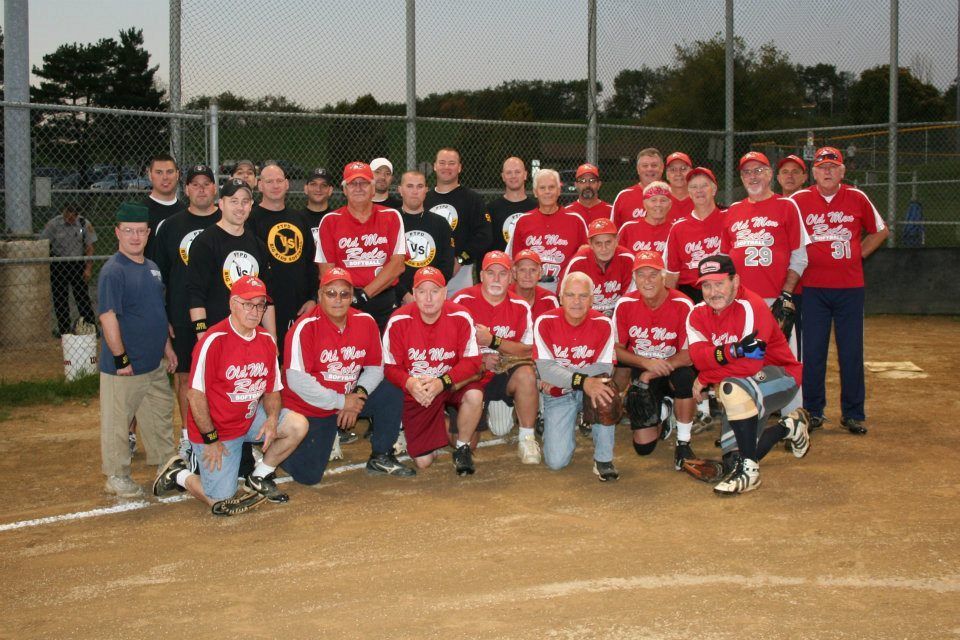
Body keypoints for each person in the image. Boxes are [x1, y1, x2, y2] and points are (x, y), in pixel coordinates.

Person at [152, 275, 308, 516]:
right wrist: (211, 439)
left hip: (248, 418)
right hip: (216, 428)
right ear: (233, 304)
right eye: (248, 304)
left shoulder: (266, 340)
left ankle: (259, 476)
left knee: (298, 425)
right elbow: (194, 396)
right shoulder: (214, 341)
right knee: (220, 498)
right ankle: (179, 474)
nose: (255, 311)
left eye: (260, 305)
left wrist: (272, 418)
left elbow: (272, 390)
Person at [686, 254, 810, 495]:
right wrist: (734, 350)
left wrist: (706, 377)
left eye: (719, 283)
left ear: (735, 281)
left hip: (781, 376)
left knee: (730, 387)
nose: (713, 292)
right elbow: (698, 357)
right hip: (743, 383)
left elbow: (751, 366)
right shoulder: (697, 314)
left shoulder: (751, 306)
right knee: (734, 459)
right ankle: (788, 427)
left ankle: (750, 474)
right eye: (706, 285)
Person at [280, 267, 415, 483]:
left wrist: (358, 396)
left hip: (348, 396)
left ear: (352, 296)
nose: (338, 300)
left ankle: (381, 455)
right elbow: (297, 381)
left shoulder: (365, 321)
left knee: (391, 387)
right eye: (331, 293)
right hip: (311, 405)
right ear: (320, 294)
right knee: (309, 476)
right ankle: (282, 452)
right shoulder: (304, 326)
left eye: (344, 294)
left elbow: (375, 367)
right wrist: (342, 402)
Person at [790, 146, 889, 434]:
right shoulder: (799, 200)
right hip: (812, 289)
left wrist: (858, 254)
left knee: (851, 351)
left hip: (849, 288)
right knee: (812, 351)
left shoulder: (856, 197)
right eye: (822, 167)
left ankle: (853, 413)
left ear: (842, 171)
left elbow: (881, 230)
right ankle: (813, 410)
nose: (828, 171)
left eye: (833, 167)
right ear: (814, 172)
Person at [97, 202, 177, 497]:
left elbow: (157, 313)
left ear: (148, 234)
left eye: (140, 231)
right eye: (128, 231)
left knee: (160, 416)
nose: (134, 237)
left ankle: (166, 467)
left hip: (153, 362)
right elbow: (108, 317)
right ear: (117, 232)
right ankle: (117, 475)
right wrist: (121, 358)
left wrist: (167, 348)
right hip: (125, 367)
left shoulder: (153, 269)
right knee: (118, 422)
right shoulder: (114, 271)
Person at [723, 151, 809, 415]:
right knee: (745, 361)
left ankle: (794, 418)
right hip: (742, 302)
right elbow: (727, 260)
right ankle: (747, 416)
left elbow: (799, 256)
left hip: (774, 299)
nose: (753, 176)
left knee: (785, 359)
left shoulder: (787, 206)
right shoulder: (733, 211)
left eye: (758, 170)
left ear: (770, 174)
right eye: (747, 172)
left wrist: (786, 295)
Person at [382, 266, 483, 475]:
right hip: (419, 390)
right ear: (413, 293)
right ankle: (438, 422)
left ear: (445, 293)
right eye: (421, 291)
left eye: (435, 291)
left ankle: (462, 447)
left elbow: (473, 361)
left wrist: (442, 382)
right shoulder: (398, 320)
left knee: (474, 395)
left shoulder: (460, 315)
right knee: (423, 461)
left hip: (450, 383)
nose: (428, 298)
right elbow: (390, 368)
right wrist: (410, 384)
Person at [153, 164, 222, 456]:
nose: (202, 188)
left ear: (215, 189)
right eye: (196, 184)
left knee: (223, 374)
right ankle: (187, 436)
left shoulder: (228, 219)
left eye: (207, 183)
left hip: (223, 312)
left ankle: (228, 430)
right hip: (183, 312)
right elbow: (160, 277)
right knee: (184, 375)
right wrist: (165, 316)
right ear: (187, 189)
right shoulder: (171, 226)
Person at [451, 251, 540, 463]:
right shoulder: (462, 300)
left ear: (511, 277)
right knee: (463, 444)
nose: (497, 279)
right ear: (481, 275)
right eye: (491, 273)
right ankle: (446, 417)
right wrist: (479, 359)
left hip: (502, 373)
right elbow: (446, 347)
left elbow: (528, 350)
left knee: (527, 374)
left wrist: (493, 342)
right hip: (471, 376)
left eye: (503, 273)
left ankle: (527, 439)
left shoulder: (520, 306)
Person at [612, 251, 696, 467]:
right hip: (644, 367)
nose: (647, 281)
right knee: (644, 447)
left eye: (653, 274)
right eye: (641, 275)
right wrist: (645, 364)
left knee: (686, 379)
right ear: (634, 278)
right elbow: (617, 350)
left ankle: (684, 442)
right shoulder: (625, 304)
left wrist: (654, 369)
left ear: (664, 277)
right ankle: (664, 412)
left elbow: (690, 353)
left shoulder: (682, 303)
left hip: (675, 366)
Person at [533, 271, 619, 481]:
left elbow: (604, 367)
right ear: (560, 298)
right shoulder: (545, 321)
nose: (576, 302)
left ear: (592, 299)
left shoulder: (604, 323)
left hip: (572, 388)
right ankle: (550, 417)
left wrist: (562, 379)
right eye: (570, 295)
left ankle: (603, 460)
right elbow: (545, 369)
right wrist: (581, 381)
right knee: (556, 462)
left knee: (606, 392)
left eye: (583, 296)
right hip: (558, 395)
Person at [315, 161, 406, 330]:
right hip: (345, 301)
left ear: (372, 189)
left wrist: (364, 294)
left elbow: (398, 265)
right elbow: (326, 270)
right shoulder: (330, 221)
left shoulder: (391, 216)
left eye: (364, 183)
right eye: (352, 183)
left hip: (383, 299)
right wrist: (347, 296)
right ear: (344, 190)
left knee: (385, 353)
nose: (358, 188)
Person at [188, 178, 276, 340]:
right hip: (217, 335)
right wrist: (203, 339)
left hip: (251, 335)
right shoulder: (205, 242)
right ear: (221, 204)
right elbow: (195, 295)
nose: (240, 207)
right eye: (234, 201)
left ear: (251, 206)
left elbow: (267, 298)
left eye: (245, 202)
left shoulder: (258, 245)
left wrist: (272, 339)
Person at [247, 163, 317, 360]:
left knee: (296, 361)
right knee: (268, 362)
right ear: (259, 185)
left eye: (279, 181)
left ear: (287, 184)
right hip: (265, 306)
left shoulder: (299, 219)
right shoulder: (251, 220)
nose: (275, 185)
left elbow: (311, 261)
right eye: (269, 181)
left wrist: (312, 298)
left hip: (298, 304)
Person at [423, 148, 493, 295]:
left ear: (459, 167)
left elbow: (484, 235)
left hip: (460, 272)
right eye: (442, 163)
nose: (446, 167)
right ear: (435, 166)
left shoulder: (472, 199)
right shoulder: (424, 199)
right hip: (427, 271)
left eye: (451, 163)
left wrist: (461, 259)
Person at [507, 168, 588, 291]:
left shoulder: (575, 220)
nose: (547, 192)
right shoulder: (524, 221)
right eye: (542, 188)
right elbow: (515, 261)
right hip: (532, 287)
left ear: (559, 190)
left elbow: (586, 257)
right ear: (535, 192)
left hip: (565, 287)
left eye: (551, 187)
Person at [664, 167, 725, 303]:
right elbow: (672, 275)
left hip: (724, 290)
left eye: (704, 185)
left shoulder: (729, 219)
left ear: (714, 190)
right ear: (689, 193)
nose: (699, 191)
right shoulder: (678, 227)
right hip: (691, 293)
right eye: (693, 187)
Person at [397, 170, 455, 305]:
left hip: (432, 298)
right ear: (400, 190)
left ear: (426, 191)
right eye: (410, 186)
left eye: (420, 186)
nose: (415, 191)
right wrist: (405, 295)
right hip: (398, 297)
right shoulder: (391, 220)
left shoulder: (440, 223)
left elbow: (446, 265)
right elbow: (385, 264)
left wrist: (430, 292)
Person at [40, 203, 97, 337]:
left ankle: (89, 326)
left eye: (74, 214)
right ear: (64, 211)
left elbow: (90, 247)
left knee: (82, 296)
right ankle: (64, 330)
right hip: (59, 263)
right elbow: (43, 243)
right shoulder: (54, 225)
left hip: (77, 263)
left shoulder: (83, 224)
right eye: (68, 213)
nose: (71, 217)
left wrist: (88, 269)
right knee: (60, 298)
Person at [561, 217, 635, 317]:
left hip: (619, 315)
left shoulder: (628, 259)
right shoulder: (578, 262)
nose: (604, 249)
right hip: (586, 316)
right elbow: (565, 299)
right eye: (598, 243)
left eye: (608, 242)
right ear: (590, 244)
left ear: (616, 240)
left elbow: (631, 300)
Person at [487, 157, 537, 253]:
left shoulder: (536, 208)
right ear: (503, 176)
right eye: (509, 172)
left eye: (517, 172)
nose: (513, 176)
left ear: (525, 175)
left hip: (527, 266)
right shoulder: (491, 209)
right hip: (500, 266)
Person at [141, 153, 182, 259]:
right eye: (159, 172)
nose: (165, 177)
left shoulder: (186, 211)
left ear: (177, 175)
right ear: (150, 175)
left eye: (170, 172)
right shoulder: (140, 211)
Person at [617, 181, 673, 257]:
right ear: (644, 204)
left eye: (663, 200)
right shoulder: (629, 228)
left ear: (670, 204)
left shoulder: (675, 229)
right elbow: (617, 257)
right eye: (653, 200)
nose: (658, 204)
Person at [612, 148, 665, 228]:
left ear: (662, 168)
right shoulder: (624, 196)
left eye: (654, 165)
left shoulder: (672, 194)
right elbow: (613, 233)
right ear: (638, 169)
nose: (649, 169)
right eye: (645, 166)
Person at [509, 249, 560, 320]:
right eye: (522, 270)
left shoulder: (549, 298)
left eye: (533, 270)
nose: (527, 275)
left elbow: (555, 328)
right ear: (514, 273)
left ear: (540, 274)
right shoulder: (504, 296)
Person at [302, 167, 336, 245]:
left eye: (323, 185)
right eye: (313, 184)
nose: (318, 189)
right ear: (306, 189)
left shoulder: (337, 219)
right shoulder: (297, 219)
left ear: (330, 190)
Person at [664, 151, 694, 220]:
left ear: (691, 172)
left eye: (683, 168)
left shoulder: (699, 198)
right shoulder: (660, 200)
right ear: (667, 175)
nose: (678, 173)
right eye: (673, 169)